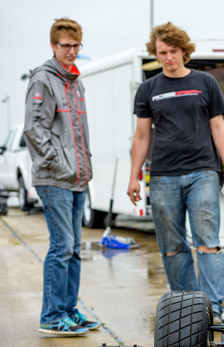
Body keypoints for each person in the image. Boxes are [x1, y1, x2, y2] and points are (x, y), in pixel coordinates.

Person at [127, 22, 224, 320]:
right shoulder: (148, 89)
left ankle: (213, 308)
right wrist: (134, 176)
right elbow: (141, 136)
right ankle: (188, 308)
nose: (168, 57)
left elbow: (218, 126)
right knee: (172, 247)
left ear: (184, 51)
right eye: (162, 52)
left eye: (173, 51)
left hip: (202, 171)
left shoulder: (205, 82)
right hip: (163, 175)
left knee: (207, 241)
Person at [24, 17, 100, 336]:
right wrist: (56, 163)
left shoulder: (75, 81)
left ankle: (68, 310)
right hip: (55, 177)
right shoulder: (44, 79)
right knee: (62, 246)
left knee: (74, 248)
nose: (71, 51)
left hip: (78, 178)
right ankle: (52, 315)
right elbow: (34, 128)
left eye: (76, 45)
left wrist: (80, 167)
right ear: (53, 46)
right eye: (65, 45)